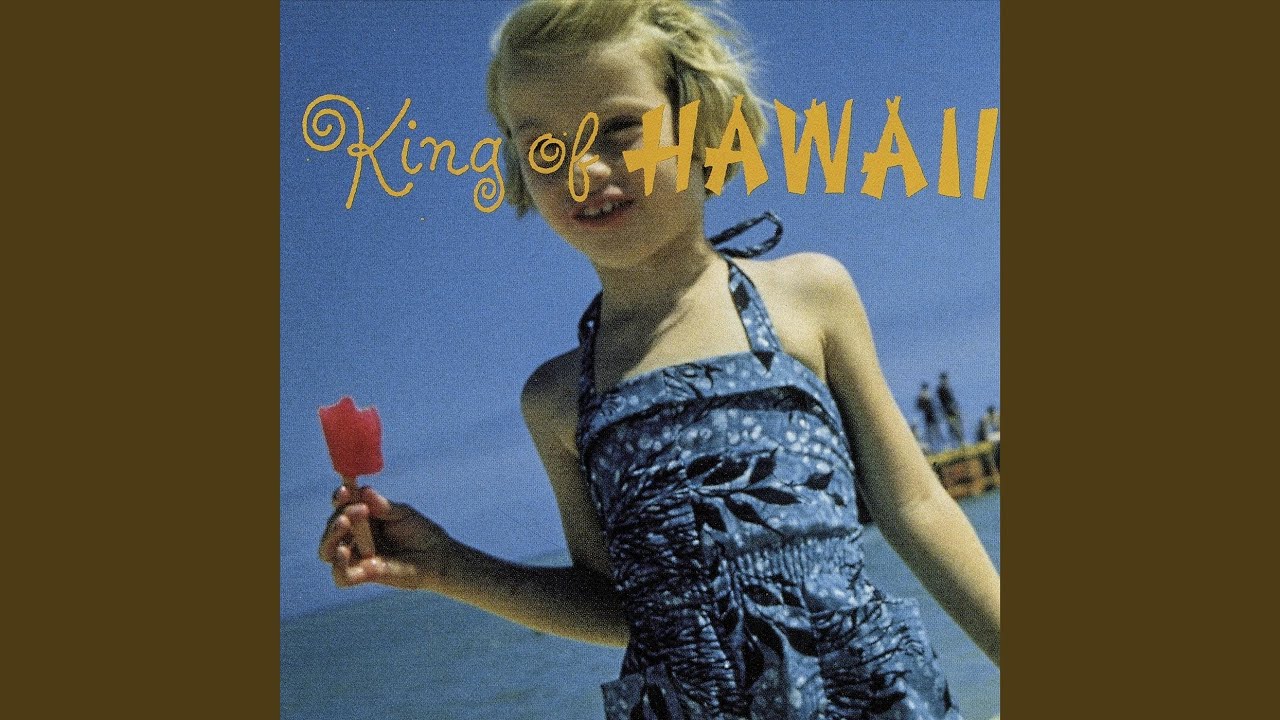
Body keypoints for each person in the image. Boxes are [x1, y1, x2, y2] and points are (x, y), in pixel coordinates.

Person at [319, 2, 999, 718]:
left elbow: (914, 506)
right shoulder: (559, 399)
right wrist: (448, 567)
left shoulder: (807, 298)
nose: (583, 169)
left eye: (618, 129)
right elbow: (621, 606)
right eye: (544, 148)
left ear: (703, 125)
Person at [936, 372, 964, 448]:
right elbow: (943, 403)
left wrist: (956, 408)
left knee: (958, 426)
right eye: (945, 379)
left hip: (953, 411)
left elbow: (952, 400)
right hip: (949, 412)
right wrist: (949, 409)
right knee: (954, 427)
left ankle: (960, 443)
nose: (946, 380)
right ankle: (957, 444)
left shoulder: (947, 388)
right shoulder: (941, 389)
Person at [915, 382, 943, 452]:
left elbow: (933, 406)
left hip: (931, 415)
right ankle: (935, 447)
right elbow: (919, 406)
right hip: (929, 416)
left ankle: (937, 447)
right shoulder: (923, 396)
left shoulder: (925, 395)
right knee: (932, 432)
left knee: (933, 431)